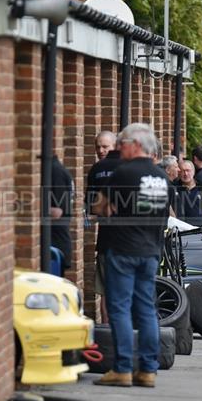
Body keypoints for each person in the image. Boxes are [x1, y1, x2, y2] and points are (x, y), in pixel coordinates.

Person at [92, 123, 170, 388]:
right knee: (147, 309)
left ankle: (123, 369)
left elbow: (102, 207)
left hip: (123, 249)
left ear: (135, 145)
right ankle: (148, 370)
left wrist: (105, 205)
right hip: (150, 250)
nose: (117, 148)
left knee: (120, 309)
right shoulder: (162, 177)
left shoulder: (122, 172)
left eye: (121, 143)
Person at [86, 134, 123, 324]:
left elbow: (91, 208)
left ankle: (108, 335)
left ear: (115, 145)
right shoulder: (130, 167)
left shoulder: (97, 169)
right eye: (98, 147)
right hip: (126, 243)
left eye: (105, 147)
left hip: (109, 242)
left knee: (107, 291)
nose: (101, 151)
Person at [50, 155, 73, 272]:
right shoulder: (55, 169)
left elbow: (57, 212)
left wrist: (30, 209)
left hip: (55, 246)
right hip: (55, 243)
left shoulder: (55, 171)